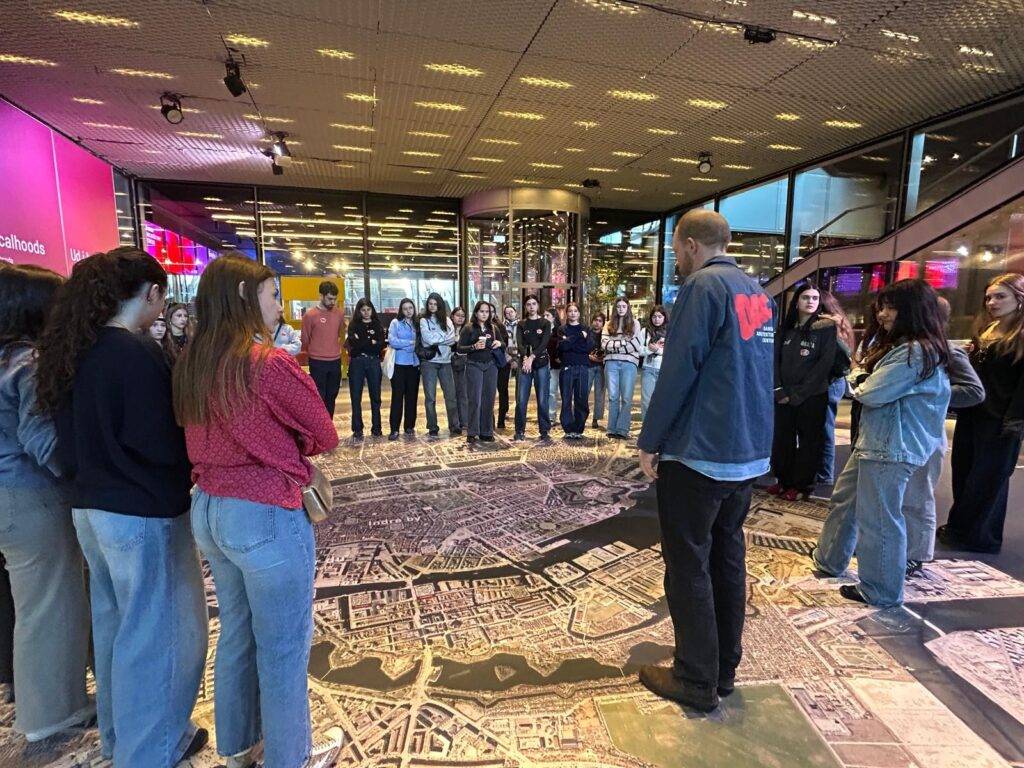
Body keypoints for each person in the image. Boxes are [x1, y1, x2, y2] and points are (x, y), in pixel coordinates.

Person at [35, 247, 208, 766]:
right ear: (152, 294)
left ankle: (121, 740)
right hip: (142, 510)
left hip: (89, 509)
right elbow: (157, 439)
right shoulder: (136, 354)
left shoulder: (73, 351)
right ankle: (151, 748)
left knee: (115, 630)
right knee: (160, 635)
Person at [173, 254, 341, 768]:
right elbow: (324, 433)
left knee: (239, 633)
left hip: (208, 509)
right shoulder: (266, 363)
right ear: (247, 299)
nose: (280, 307)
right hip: (263, 512)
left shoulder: (194, 362)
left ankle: (239, 746)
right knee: (284, 647)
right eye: (273, 296)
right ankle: (291, 758)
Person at [636, 210, 776, 713]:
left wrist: (650, 440)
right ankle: (723, 670)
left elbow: (681, 368)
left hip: (700, 452)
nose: (677, 259)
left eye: (676, 250)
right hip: (744, 451)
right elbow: (752, 371)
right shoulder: (758, 293)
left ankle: (696, 678)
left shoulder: (702, 287)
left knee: (688, 564)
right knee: (727, 557)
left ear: (692, 244)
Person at [813, 279, 951, 607]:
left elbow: (870, 392)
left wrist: (857, 376)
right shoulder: (910, 347)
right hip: (878, 442)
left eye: (890, 307)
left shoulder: (915, 351)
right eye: (882, 306)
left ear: (911, 310)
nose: (882, 313)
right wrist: (862, 375)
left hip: (891, 447)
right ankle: (830, 560)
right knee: (846, 501)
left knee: (880, 519)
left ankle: (880, 590)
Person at [0, 264, 93, 743]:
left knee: (32, 605)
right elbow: (41, 438)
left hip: (9, 500)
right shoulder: (27, 363)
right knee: (48, 607)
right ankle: (52, 714)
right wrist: (86, 474)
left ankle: (48, 703)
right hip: (30, 498)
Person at [941, 273, 1024, 554]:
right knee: (963, 471)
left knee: (988, 479)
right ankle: (960, 527)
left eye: (1000, 296)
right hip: (973, 414)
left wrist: (1015, 420)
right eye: (989, 297)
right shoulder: (988, 331)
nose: (992, 302)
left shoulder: (1020, 336)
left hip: (1001, 419)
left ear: (1019, 298)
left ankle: (980, 536)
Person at [903, 296, 984, 576]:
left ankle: (916, 553)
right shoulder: (907, 348)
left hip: (925, 434)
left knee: (918, 495)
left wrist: (927, 396)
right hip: (899, 433)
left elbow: (974, 392)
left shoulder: (947, 351)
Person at [768, 282, 838, 501]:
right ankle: (784, 481)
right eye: (806, 297)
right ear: (796, 301)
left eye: (815, 298)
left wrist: (798, 394)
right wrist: (779, 390)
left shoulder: (826, 328)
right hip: (782, 395)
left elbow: (823, 366)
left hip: (812, 396)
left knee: (809, 442)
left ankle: (802, 486)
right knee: (782, 440)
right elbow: (774, 360)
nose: (810, 302)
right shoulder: (786, 328)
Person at [816, 291, 856, 485]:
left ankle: (825, 474)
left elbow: (842, 357)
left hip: (831, 381)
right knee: (823, 427)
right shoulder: (840, 324)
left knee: (824, 428)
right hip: (832, 381)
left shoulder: (832, 325)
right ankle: (823, 473)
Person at [458, 301, 502, 445]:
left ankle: (486, 432)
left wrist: (500, 344)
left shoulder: (494, 328)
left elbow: (504, 343)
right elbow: (459, 348)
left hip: (491, 365)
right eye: (481, 311)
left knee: (489, 399)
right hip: (474, 365)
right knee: (474, 399)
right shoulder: (468, 328)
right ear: (476, 313)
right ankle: (472, 432)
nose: (484, 314)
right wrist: (474, 346)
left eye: (487, 311)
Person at [301, 281, 345, 417]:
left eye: (335, 299)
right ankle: (320, 426)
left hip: (335, 360)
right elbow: (305, 339)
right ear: (321, 296)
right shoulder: (310, 315)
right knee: (319, 396)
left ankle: (328, 425)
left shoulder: (339, 314)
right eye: (329, 298)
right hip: (317, 361)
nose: (333, 302)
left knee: (332, 395)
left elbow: (340, 334)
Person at [419, 293, 460, 437]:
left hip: (446, 361)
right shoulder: (424, 320)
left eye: (435, 304)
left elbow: (452, 339)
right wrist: (443, 338)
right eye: (430, 304)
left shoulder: (447, 320)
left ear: (440, 305)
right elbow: (427, 340)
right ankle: (432, 426)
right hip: (429, 362)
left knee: (451, 395)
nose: (432, 306)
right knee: (430, 397)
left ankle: (454, 425)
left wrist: (437, 339)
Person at [602, 298, 643, 439]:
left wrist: (615, 344)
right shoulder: (608, 324)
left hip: (629, 364)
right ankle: (611, 428)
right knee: (613, 397)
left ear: (628, 308)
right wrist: (624, 342)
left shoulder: (635, 324)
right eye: (618, 306)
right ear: (615, 308)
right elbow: (604, 345)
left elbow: (636, 345)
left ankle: (622, 429)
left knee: (626, 397)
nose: (621, 309)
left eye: (624, 306)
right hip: (611, 363)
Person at [514, 295, 552, 442]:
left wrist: (531, 357)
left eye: (534, 304)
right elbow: (519, 343)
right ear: (525, 307)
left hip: (541, 363)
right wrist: (525, 357)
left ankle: (544, 430)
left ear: (538, 305)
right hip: (525, 365)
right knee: (521, 399)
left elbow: (544, 343)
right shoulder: (521, 324)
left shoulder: (545, 323)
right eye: (528, 304)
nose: (531, 306)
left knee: (542, 399)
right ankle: (519, 430)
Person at [345, 298, 384, 439]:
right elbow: (353, 343)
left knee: (376, 396)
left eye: (368, 309)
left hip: (373, 362)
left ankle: (377, 427)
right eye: (363, 310)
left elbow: (380, 345)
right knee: (356, 396)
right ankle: (357, 428)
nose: (366, 313)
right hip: (357, 363)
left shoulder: (377, 325)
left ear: (372, 310)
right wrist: (370, 342)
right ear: (359, 311)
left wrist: (362, 341)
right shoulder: (354, 325)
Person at [557, 302, 593, 439]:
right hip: (567, 367)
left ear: (579, 313)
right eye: (570, 311)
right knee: (566, 399)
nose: (572, 313)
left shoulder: (586, 328)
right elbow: (562, 347)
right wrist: (579, 338)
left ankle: (579, 428)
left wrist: (570, 343)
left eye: (575, 311)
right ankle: (568, 428)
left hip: (583, 366)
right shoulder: (562, 329)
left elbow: (588, 347)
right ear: (567, 313)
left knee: (581, 398)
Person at [387, 298, 420, 440]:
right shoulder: (395, 323)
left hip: (414, 365)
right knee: (397, 397)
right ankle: (394, 429)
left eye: (410, 308)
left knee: (412, 397)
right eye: (405, 308)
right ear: (401, 309)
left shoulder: (418, 324)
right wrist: (410, 343)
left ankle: (409, 426)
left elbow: (420, 343)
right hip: (399, 365)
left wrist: (407, 344)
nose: (408, 311)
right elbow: (392, 341)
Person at [640, 305, 667, 421]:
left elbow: (673, 351)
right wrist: (649, 350)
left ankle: (659, 429)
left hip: (664, 369)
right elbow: (639, 350)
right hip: (648, 369)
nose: (657, 319)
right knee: (646, 400)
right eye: (654, 317)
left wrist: (658, 350)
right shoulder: (645, 331)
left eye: (660, 316)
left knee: (662, 400)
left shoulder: (669, 331)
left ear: (664, 317)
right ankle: (646, 428)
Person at [499, 305, 519, 430]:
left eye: (511, 312)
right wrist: (509, 359)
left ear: (515, 312)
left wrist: (518, 358)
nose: (510, 314)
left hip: (520, 357)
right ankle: (503, 412)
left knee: (520, 387)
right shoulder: (502, 327)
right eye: (507, 313)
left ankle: (519, 411)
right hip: (506, 359)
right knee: (503, 387)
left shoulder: (521, 325)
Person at [451, 306, 469, 436]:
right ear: (452, 316)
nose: (460, 317)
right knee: (452, 393)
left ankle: (465, 422)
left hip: (464, 363)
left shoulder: (467, 330)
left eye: (462, 315)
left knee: (463, 393)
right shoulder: (447, 328)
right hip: (448, 362)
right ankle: (454, 423)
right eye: (458, 315)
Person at [588, 313, 606, 429]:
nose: (597, 322)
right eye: (595, 320)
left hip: (601, 366)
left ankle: (596, 418)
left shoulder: (606, 334)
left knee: (600, 394)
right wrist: (589, 356)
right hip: (588, 365)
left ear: (603, 323)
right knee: (584, 391)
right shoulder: (587, 333)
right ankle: (582, 414)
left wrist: (602, 357)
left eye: (600, 321)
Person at [546, 307, 563, 423]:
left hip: (554, 364)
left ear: (553, 317)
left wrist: (558, 357)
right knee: (544, 391)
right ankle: (545, 414)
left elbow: (560, 346)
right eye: (544, 315)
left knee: (552, 391)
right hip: (542, 364)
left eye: (547, 315)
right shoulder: (542, 329)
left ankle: (551, 416)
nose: (545, 317)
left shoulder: (558, 330)